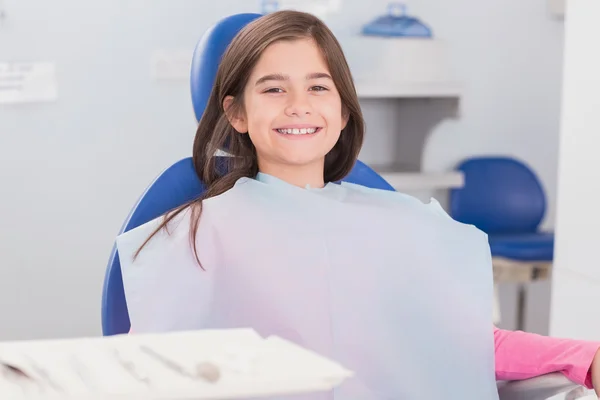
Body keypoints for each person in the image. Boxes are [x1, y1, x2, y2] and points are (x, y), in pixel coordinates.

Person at [116, 10, 600, 399]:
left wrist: (585, 357)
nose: (298, 104)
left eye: (318, 87)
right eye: (273, 88)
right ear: (236, 112)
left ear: (343, 110)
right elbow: (150, 365)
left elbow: (467, 344)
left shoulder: (400, 224)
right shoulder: (199, 233)